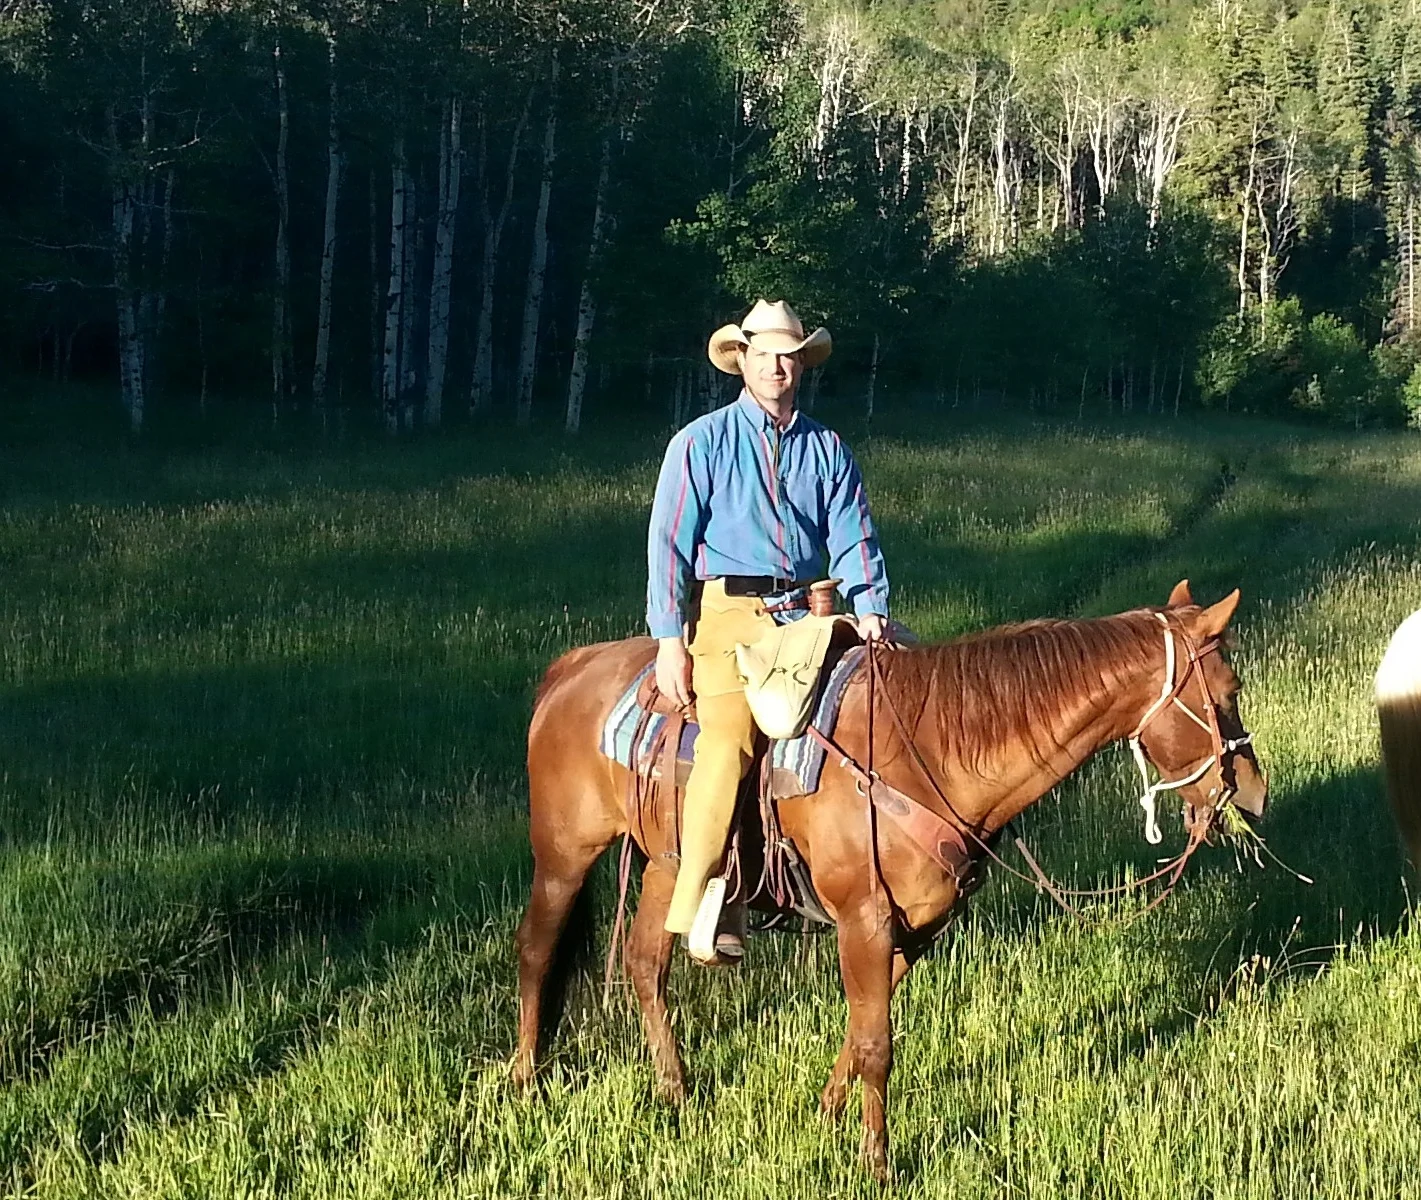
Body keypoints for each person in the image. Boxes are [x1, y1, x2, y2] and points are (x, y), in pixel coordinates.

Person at [645, 299, 892, 963]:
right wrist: (669, 638)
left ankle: (859, 871)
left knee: (880, 717)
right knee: (727, 744)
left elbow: (853, 534)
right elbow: (669, 543)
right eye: (763, 356)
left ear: (800, 365)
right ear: (741, 363)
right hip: (726, 617)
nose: (775, 366)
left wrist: (869, 607)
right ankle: (699, 897)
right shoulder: (699, 442)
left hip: (807, 613)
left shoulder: (826, 447)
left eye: (787, 356)